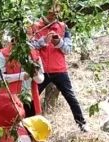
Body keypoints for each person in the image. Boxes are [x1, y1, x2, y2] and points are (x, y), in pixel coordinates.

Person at [30, 2, 88, 132]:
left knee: (70, 96)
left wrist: (59, 42)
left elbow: (68, 49)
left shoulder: (63, 27)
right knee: (32, 99)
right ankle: (26, 126)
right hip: (41, 71)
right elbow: (29, 47)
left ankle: (82, 124)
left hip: (59, 69)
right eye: (51, 13)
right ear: (45, 11)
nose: (53, 16)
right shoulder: (34, 27)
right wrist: (43, 41)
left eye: (56, 13)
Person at [0, 34, 45, 117]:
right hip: (9, 99)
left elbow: (41, 79)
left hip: (29, 99)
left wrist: (35, 74)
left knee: (28, 128)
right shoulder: (3, 54)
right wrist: (21, 76)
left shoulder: (34, 53)